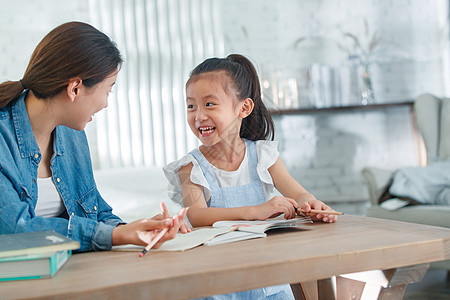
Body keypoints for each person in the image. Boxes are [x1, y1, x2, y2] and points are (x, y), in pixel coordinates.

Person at [164, 54, 338, 299]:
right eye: (191, 106)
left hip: (269, 281)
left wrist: (310, 203)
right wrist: (255, 211)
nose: (198, 115)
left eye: (209, 104)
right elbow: (197, 215)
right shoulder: (190, 167)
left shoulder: (264, 156)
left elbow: (297, 192)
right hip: (218, 287)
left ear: (243, 108)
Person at [0, 21, 185, 252]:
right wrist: (115, 236)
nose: (106, 103)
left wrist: (136, 229)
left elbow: (95, 212)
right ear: (75, 88)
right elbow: (14, 230)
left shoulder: (70, 134)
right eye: (108, 90)